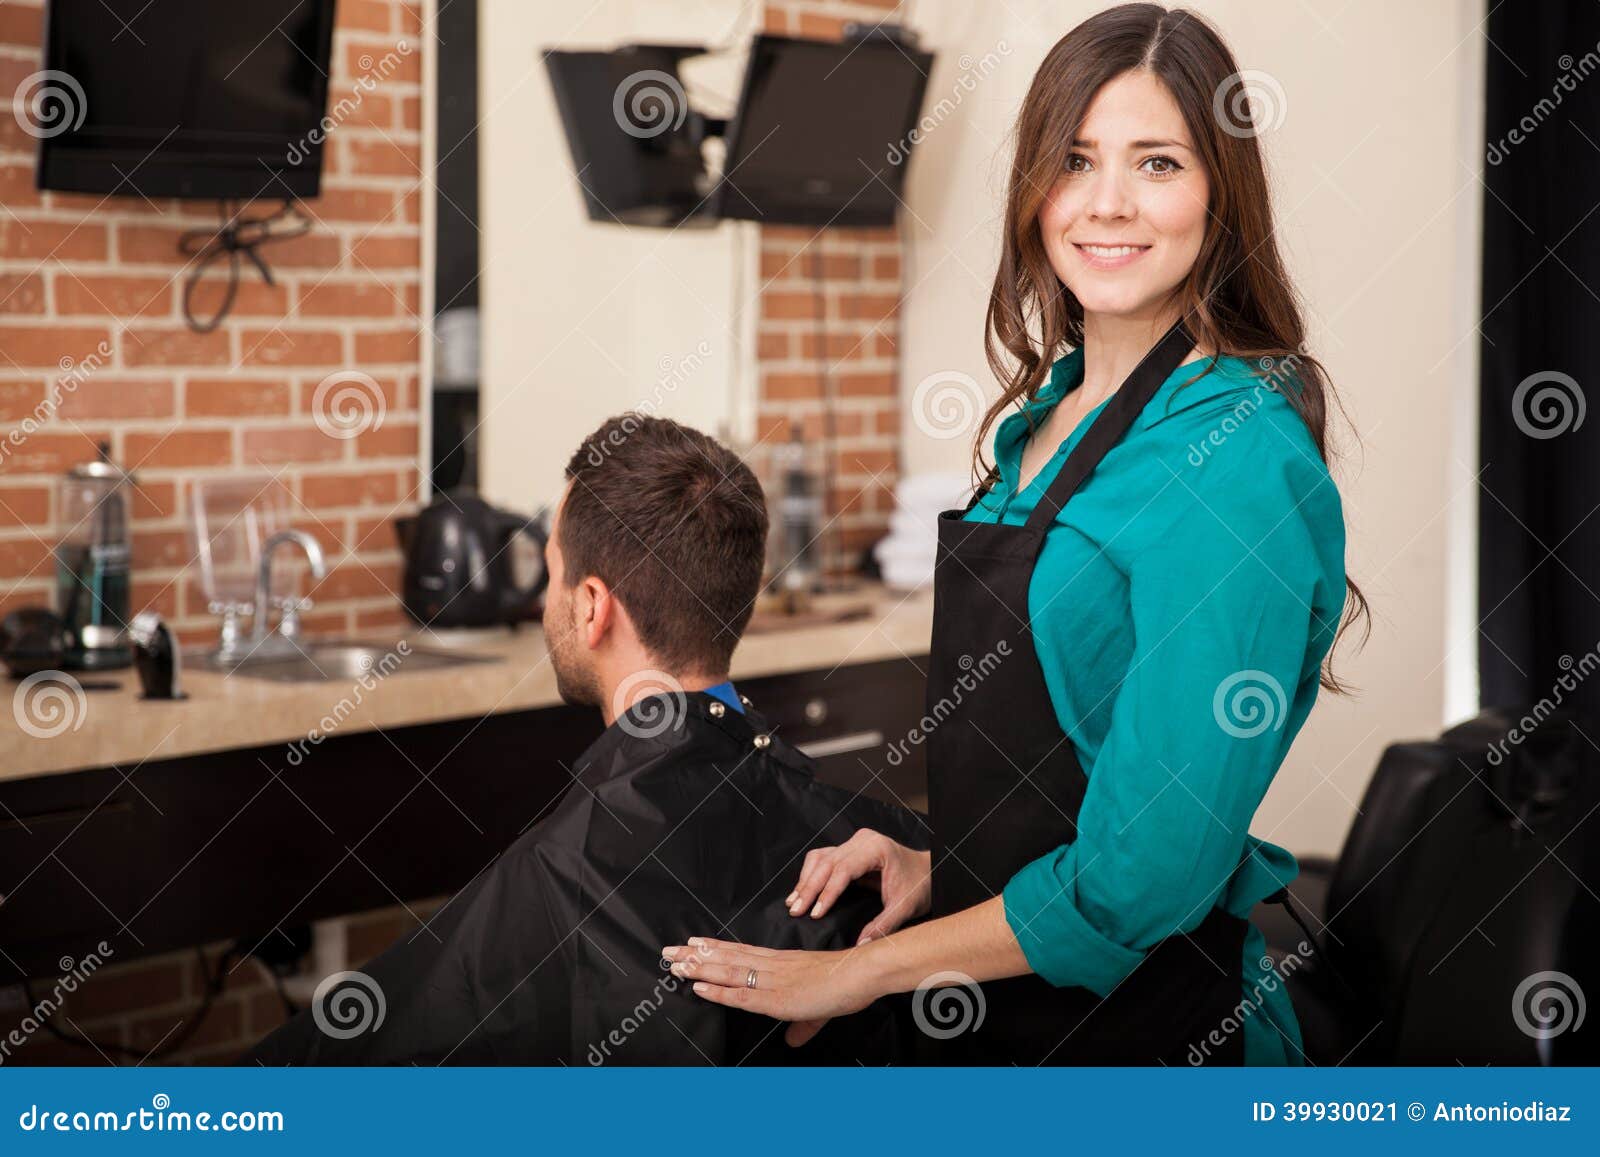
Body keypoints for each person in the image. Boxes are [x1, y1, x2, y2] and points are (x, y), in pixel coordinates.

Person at [664, 3, 1369, 1066]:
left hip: (1143, 1047)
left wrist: (860, 967)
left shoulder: (1235, 457)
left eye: (1158, 163)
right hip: (994, 1015)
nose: (1107, 204)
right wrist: (938, 863)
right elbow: (1060, 775)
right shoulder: (1049, 411)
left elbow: (1149, 868)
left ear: (1220, 191)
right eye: (1075, 159)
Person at [244, 414, 924, 1065]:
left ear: (593, 606)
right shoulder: (894, 857)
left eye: (552, 572)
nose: (545, 602)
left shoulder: (563, 871)